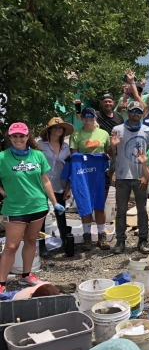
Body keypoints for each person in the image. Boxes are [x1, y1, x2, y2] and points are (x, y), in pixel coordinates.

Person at [0, 123, 64, 290]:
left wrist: (55, 203)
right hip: (15, 209)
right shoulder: (2, 157)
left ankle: (26, 276)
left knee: (30, 241)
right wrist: (2, 191)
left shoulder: (37, 155)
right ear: (10, 137)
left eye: (22, 135)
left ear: (27, 137)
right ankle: (1, 282)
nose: (18, 139)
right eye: (15, 136)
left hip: (38, 206)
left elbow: (46, 180)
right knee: (11, 246)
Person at [110, 100, 149, 253]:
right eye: (133, 111)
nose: (136, 113)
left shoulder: (148, 130)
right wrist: (113, 146)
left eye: (139, 111)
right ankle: (120, 241)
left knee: (142, 209)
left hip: (140, 176)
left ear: (142, 113)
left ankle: (143, 240)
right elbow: (111, 155)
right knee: (121, 210)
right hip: (122, 175)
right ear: (127, 112)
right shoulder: (117, 129)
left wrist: (146, 176)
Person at [71, 107, 112, 249]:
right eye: (85, 116)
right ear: (82, 119)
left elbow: (109, 153)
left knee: (99, 205)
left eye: (91, 115)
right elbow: (74, 157)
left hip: (100, 173)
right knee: (86, 205)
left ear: (95, 118)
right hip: (83, 174)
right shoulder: (76, 135)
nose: (88, 118)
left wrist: (114, 146)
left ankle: (102, 236)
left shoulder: (104, 134)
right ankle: (87, 236)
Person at [39, 118, 72, 246]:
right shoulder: (40, 145)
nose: (58, 130)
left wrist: (68, 188)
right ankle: (40, 245)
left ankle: (66, 243)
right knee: (41, 216)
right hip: (42, 185)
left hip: (60, 185)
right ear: (49, 130)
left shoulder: (66, 147)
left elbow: (69, 168)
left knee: (61, 215)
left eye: (60, 128)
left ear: (63, 131)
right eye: (55, 127)